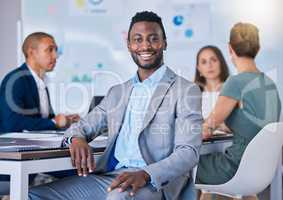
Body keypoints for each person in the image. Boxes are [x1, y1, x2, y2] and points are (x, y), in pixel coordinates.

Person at [28, 11, 203, 200]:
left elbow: (188, 152)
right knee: (32, 194)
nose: (145, 45)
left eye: (153, 39)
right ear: (129, 45)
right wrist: (76, 139)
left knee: (117, 198)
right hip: (111, 177)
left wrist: (145, 174)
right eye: (138, 39)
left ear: (164, 43)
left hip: (155, 182)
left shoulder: (185, 90)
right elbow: (80, 127)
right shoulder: (117, 92)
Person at [196, 22, 281, 191]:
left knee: (181, 168)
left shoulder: (236, 82)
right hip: (261, 171)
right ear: (257, 48)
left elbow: (206, 130)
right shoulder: (270, 84)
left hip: (234, 169)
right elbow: (255, 126)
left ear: (230, 49)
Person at [0, 32, 79, 133]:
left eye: (56, 50)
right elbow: (11, 123)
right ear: (31, 53)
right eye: (49, 50)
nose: (55, 56)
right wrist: (54, 122)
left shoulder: (41, 82)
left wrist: (67, 121)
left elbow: (42, 120)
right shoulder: (16, 80)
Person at [194, 45, 229, 122]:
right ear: (199, 68)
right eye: (204, 62)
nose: (209, 65)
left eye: (213, 60)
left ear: (221, 63)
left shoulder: (233, 90)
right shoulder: (193, 94)